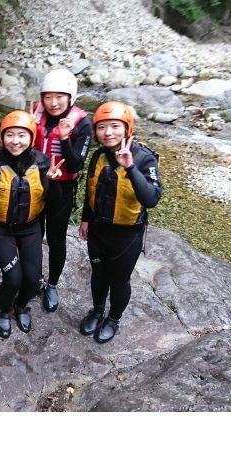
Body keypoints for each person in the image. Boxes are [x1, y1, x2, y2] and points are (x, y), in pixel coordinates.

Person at [0, 110, 64, 338]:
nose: (15, 141)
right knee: (13, 278)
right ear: (2, 137)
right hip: (1, 229)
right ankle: (4, 310)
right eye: (9, 135)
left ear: (31, 138)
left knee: (32, 280)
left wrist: (54, 183)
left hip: (30, 227)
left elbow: (54, 204)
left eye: (22, 135)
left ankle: (22, 306)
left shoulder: (43, 163)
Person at [78, 101, 162, 343]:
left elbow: (151, 198)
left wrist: (131, 167)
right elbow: (91, 189)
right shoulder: (98, 156)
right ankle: (96, 311)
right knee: (98, 274)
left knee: (118, 280)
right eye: (102, 127)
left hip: (127, 235)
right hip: (99, 230)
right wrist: (85, 219)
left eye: (115, 126)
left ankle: (113, 318)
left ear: (127, 129)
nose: (108, 133)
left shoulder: (144, 159)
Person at [31, 68, 92, 312]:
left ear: (70, 97)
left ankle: (52, 284)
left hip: (62, 188)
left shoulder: (82, 124)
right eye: (48, 97)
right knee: (32, 235)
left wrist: (65, 139)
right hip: (34, 185)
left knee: (56, 239)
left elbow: (76, 164)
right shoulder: (35, 115)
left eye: (59, 97)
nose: (53, 103)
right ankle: (34, 278)